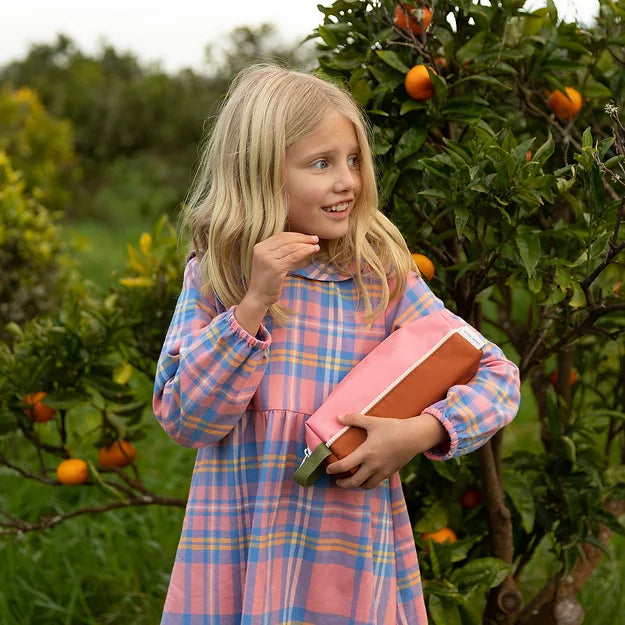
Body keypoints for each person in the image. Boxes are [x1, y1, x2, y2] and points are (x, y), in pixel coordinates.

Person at [153, 63, 520, 625]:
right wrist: (252, 304)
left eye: (353, 160)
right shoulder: (217, 277)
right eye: (320, 164)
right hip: (240, 548)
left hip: (346, 555)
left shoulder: (380, 277)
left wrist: (421, 432)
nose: (347, 180)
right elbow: (185, 419)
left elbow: (495, 374)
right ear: (260, 173)